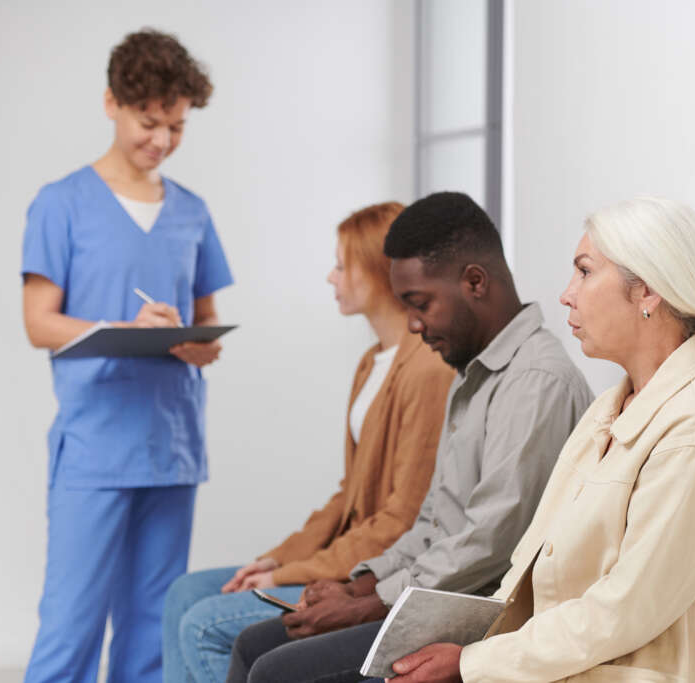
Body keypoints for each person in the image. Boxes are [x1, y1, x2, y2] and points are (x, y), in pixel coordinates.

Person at [386, 196, 695, 683]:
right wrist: (464, 647)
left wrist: (471, 664)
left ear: (649, 293)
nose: (566, 295)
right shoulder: (610, 410)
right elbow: (529, 568)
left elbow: (621, 612)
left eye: (584, 272)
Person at [226, 191, 595, 683]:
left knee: (277, 671)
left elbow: (486, 542)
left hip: (481, 623)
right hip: (434, 600)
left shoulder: (535, 381)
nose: (414, 326)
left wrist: (370, 603)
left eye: (420, 306)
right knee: (256, 645)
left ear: (475, 283)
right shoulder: (471, 375)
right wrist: (361, 584)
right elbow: (432, 522)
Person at [161, 201, 455, 682]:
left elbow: (401, 521)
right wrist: (276, 558)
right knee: (183, 594)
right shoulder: (371, 363)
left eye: (342, 266)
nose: (330, 278)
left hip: (370, 573)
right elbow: (348, 496)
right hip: (342, 556)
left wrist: (285, 577)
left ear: (379, 272)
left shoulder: (426, 370)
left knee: (202, 625)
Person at [20, 29, 232, 683]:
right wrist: (119, 325)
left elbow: (209, 330)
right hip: (94, 447)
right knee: (71, 628)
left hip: (170, 448)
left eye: (176, 126)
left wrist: (193, 342)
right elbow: (38, 322)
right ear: (112, 103)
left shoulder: (192, 212)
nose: (162, 140)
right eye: (149, 122)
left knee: (149, 633)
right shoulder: (61, 204)